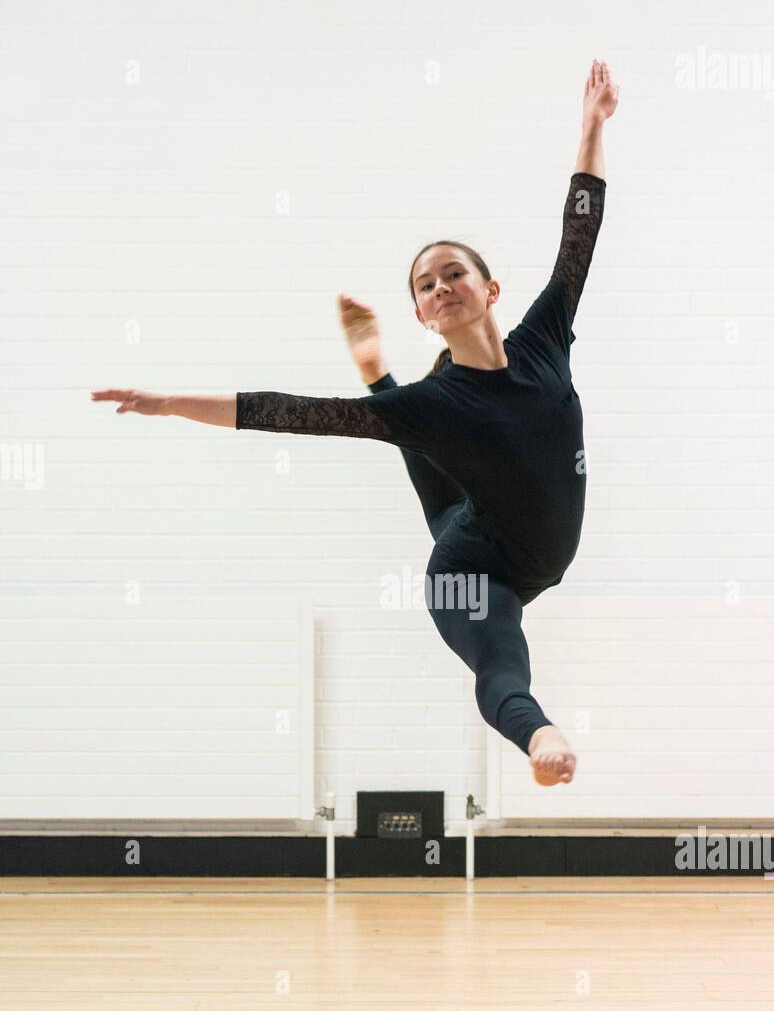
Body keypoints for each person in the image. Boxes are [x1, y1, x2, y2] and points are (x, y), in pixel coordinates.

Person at [92, 60, 619, 786]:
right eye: (425, 286)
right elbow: (286, 413)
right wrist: (171, 402)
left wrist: (590, 127)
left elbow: (578, 234)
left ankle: (372, 364)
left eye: (452, 273)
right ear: (421, 316)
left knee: (439, 474)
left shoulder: (542, 338)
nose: (440, 288)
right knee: (498, 655)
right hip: (471, 571)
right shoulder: (435, 403)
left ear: (490, 288)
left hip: (500, 530)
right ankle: (541, 737)